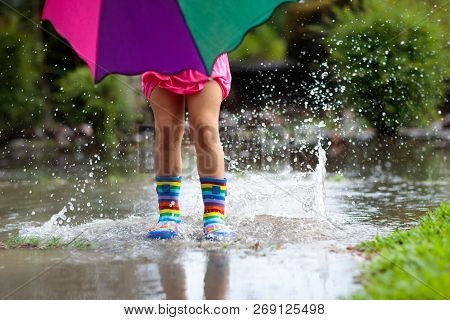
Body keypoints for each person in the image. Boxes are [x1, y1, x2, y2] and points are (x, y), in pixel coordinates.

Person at [142, 53, 232, 240]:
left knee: (205, 129)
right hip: (160, 50)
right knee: (167, 131)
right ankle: (168, 212)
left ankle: (214, 214)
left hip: (206, 47)